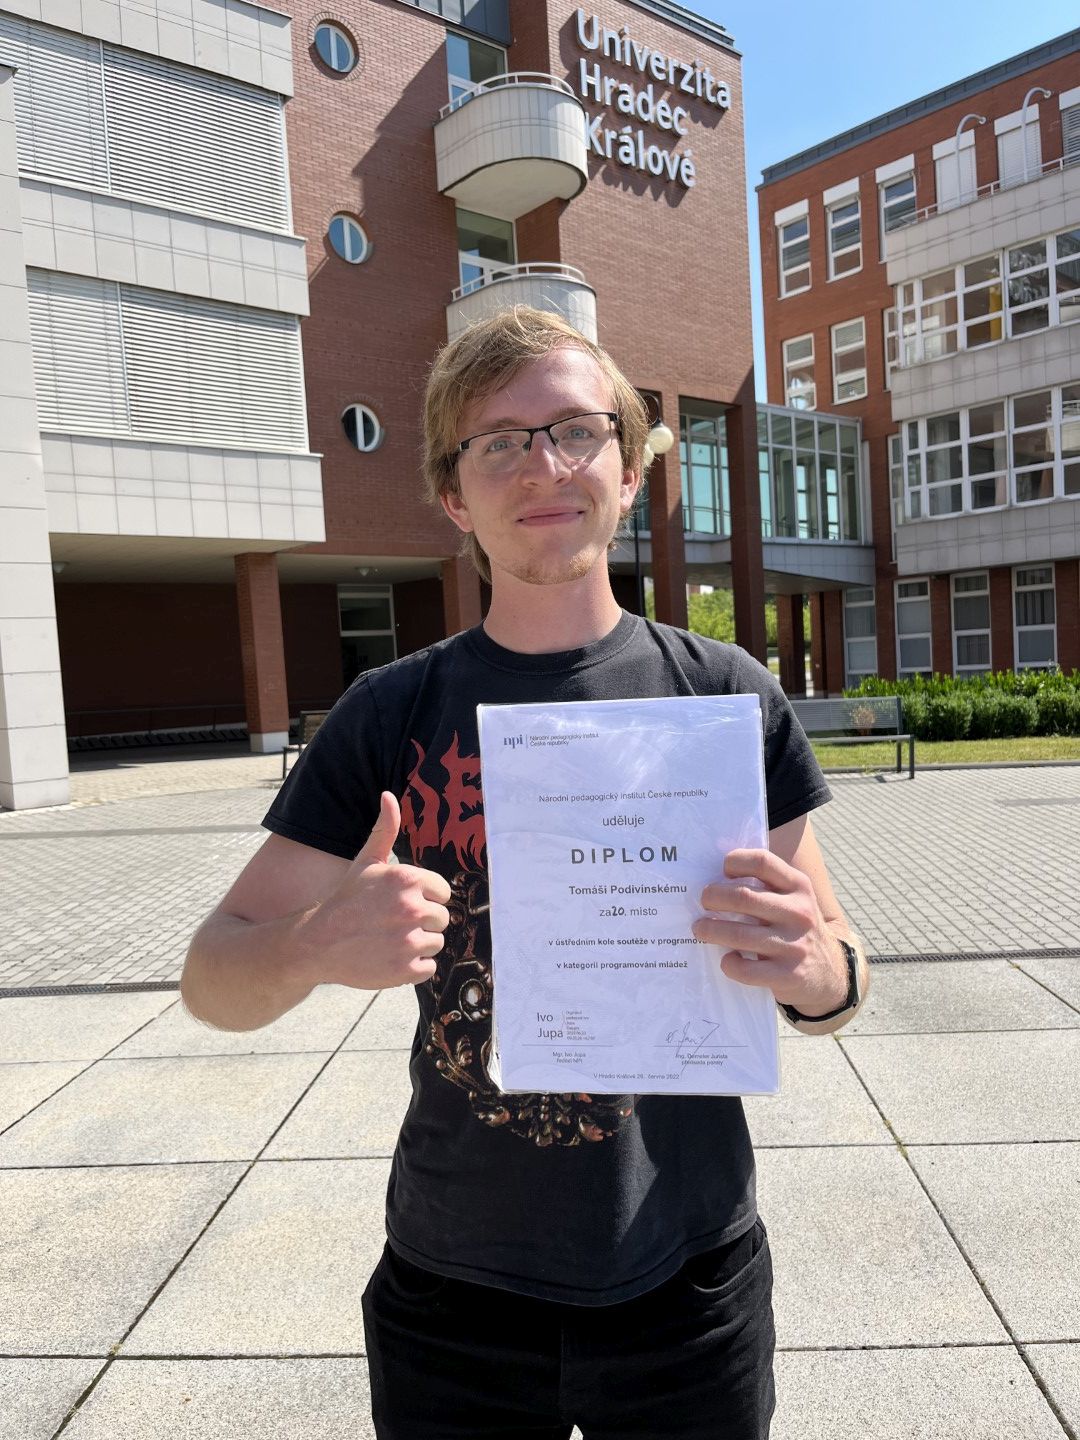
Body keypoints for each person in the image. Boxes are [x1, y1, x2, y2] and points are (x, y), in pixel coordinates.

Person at [181, 306, 869, 1440]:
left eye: (575, 431)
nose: (543, 466)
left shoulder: (723, 696)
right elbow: (213, 976)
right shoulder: (390, 711)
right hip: (455, 1289)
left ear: (631, 469)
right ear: (454, 496)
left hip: (689, 1276)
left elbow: (838, 970)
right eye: (499, 441)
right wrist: (311, 946)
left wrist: (817, 973)